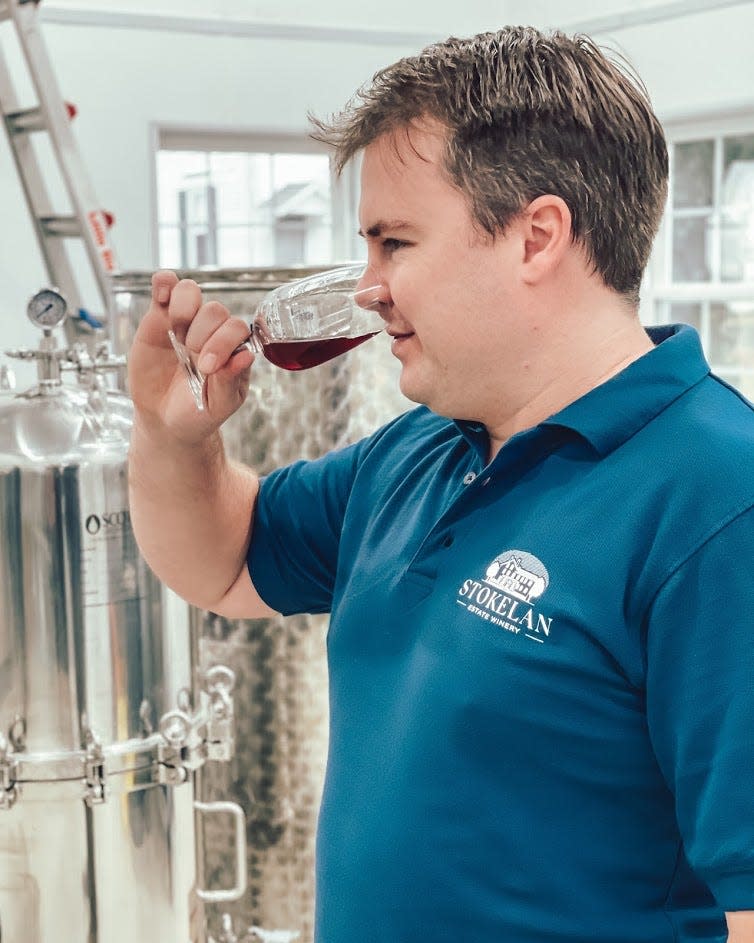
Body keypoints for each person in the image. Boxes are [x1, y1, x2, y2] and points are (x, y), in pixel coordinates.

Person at [128, 27, 754, 943]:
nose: (368, 287)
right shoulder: (418, 452)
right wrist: (174, 439)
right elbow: (222, 565)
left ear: (537, 236)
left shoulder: (715, 500)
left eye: (394, 243)